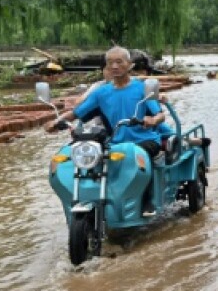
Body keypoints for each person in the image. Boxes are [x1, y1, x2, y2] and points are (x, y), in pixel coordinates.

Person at [45, 46, 167, 215]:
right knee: (89, 157)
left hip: (145, 139)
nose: (114, 66)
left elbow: (160, 115)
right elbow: (76, 112)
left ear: (130, 64)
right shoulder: (101, 92)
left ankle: (147, 200)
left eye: (119, 62)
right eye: (110, 63)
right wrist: (57, 122)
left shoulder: (142, 88)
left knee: (141, 156)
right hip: (116, 141)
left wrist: (152, 120)